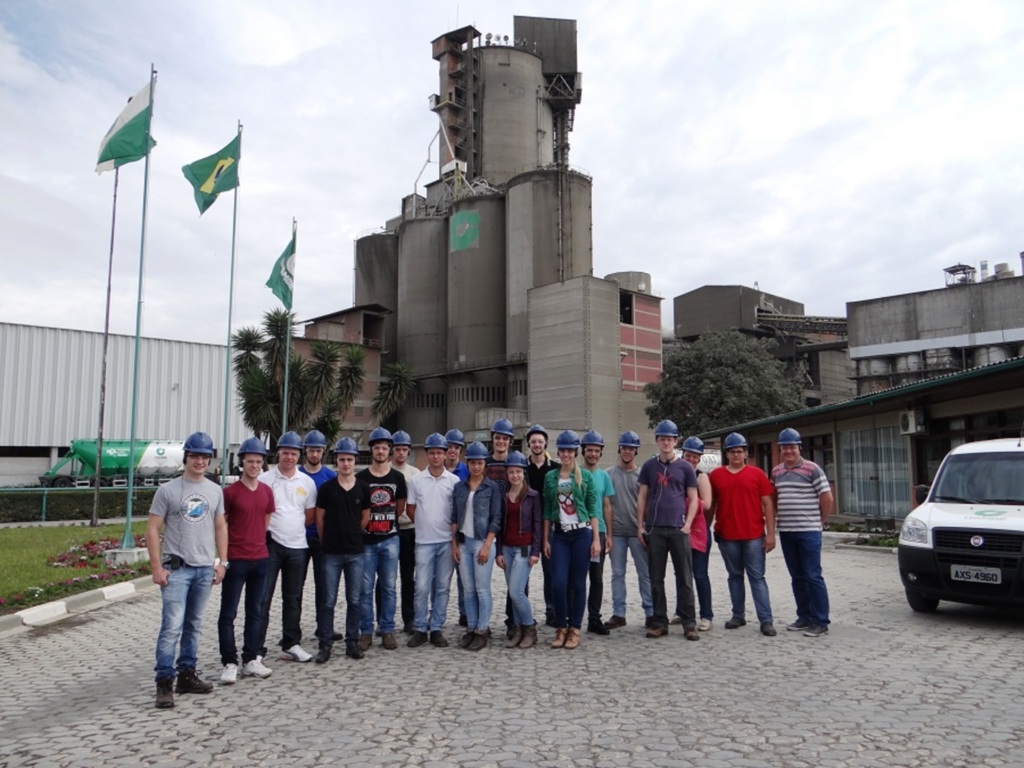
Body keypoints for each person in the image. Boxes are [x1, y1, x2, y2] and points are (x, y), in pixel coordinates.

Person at [147, 431, 227, 709]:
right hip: (177, 570)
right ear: (186, 458)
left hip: (205, 569)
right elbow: (153, 529)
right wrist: (157, 568)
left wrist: (222, 562)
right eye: (195, 455)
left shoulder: (215, 490)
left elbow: (220, 527)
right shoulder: (168, 490)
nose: (200, 461)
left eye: (205, 456)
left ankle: (187, 675)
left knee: (194, 626)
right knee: (171, 627)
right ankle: (164, 683)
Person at [256, 431, 318, 664]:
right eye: (285, 453)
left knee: (293, 598)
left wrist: (291, 529)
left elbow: (309, 516)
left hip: (298, 547)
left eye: (293, 453)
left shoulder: (307, 483)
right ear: (278, 453)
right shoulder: (265, 480)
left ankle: (291, 642)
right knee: (263, 598)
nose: (289, 457)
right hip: (270, 545)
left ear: (299, 455)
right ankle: (256, 647)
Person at [636, 420, 701, 641]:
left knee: (684, 577)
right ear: (657, 441)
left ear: (676, 441)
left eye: (670, 439)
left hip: (678, 529)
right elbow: (642, 496)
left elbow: (693, 498)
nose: (666, 442)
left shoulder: (685, 468)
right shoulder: (648, 467)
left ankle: (689, 622)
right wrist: (640, 526)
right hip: (655, 529)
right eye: (662, 439)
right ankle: (659, 622)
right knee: (656, 578)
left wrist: (688, 525)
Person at [708, 432, 778, 637]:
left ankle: (766, 620)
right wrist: (705, 528)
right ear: (727, 454)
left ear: (746, 453)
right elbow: (711, 506)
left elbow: (768, 504)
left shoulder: (757, 475)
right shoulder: (716, 475)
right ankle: (738, 615)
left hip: (754, 536)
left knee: (757, 577)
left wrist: (771, 534)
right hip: (727, 536)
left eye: (739, 451)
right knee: (734, 576)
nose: (736, 455)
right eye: (732, 451)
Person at [218, 437, 275, 685]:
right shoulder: (229, 493)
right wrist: (224, 557)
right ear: (242, 462)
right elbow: (222, 524)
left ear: (263, 464)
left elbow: (265, 521)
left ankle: (251, 658)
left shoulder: (266, 491)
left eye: (258, 462)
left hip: (260, 559)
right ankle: (229, 661)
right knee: (228, 613)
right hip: (236, 560)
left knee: (256, 611)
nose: (254, 465)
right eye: (250, 461)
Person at [771, 428, 834, 638]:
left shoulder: (812, 469)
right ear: (780, 449)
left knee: (813, 576)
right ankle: (804, 616)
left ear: (799, 448)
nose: (788, 451)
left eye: (792, 447)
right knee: (797, 577)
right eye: (785, 447)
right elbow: (774, 499)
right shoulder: (777, 472)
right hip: (787, 532)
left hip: (808, 531)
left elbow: (826, 497)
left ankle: (820, 621)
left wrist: (820, 521)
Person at [313, 437, 371, 662]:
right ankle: (325, 644)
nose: (345, 463)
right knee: (328, 600)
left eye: (349, 459)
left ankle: (352, 642)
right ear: (336, 461)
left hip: (355, 552)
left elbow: (365, 517)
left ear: (355, 461)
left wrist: (353, 532)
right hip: (331, 553)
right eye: (342, 459)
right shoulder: (326, 489)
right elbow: (320, 520)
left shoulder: (363, 488)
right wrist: (328, 539)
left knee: (354, 599)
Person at [543, 430, 600, 650]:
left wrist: (596, 540)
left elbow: (593, 509)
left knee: (578, 583)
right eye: (563, 450)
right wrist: (546, 539)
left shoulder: (585, 476)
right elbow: (548, 509)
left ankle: (575, 628)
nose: (566, 454)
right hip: (559, 535)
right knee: (558, 583)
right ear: (558, 452)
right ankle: (561, 626)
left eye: (570, 451)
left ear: (576, 452)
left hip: (582, 534)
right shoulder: (551, 477)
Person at [406, 433, 459, 649]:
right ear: (426, 454)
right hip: (424, 541)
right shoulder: (416, 481)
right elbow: (411, 509)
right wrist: (424, 523)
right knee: (421, 586)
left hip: (446, 541)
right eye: (432, 453)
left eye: (439, 452)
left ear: (446, 455)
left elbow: (457, 512)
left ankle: (436, 627)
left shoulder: (454, 482)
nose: (436, 456)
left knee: (442, 587)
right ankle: (420, 628)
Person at [356, 427, 407, 652]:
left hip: (390, 539)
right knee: (365, 588)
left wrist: (386, 522)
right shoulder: (361, 478)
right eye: (376, 447)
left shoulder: (398, 477)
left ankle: (387, 630)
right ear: (371, 450)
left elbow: (400, 507)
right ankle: (365, 631)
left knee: (389, 587)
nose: (380, 451)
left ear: (390, 450)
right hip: (367, 541)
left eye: (384, 448)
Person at [450, 441, 502, 651]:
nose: (476, 467)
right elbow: (454, 517)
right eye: (472, 463)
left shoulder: (493, 487)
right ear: (468, 463)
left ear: (484, 464)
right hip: (463, 543)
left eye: (480, 463)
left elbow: (496, 518)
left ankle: (482, 629)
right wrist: (453, 544)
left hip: (482, 542)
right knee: (468, 590)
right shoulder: (459, 487)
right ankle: (471, 628)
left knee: (482, 588)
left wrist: (488, 545)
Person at [604, 430, 654, 630]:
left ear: (636, 451)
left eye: (631, 448)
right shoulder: (609, 474)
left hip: (637, 532)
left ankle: (650, 612)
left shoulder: (643, 476)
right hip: (616, 532)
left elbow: (648, 504)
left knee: (645, 573)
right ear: (619, 449)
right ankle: (619, 613)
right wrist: (607, 534)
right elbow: (605, 505)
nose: (627, 452)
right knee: (617, 574)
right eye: (624, 448)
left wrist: (644, 528)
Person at [495, 451, 542, 649]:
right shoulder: (504, 497)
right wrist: (498, 551)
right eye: (511, 472)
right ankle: (518, 630)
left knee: (516, 591)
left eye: (518, 471)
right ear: (507, 474)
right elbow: (498, 525)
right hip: (507, 548)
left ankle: (530, 628)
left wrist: (535, 551)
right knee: (513, 592)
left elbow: (538, 524)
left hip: (525, 548)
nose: (515, 475)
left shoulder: (532, 496)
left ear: (523, 473)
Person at [299, 429, 336, 643]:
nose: (314, 455)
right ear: (306, 451)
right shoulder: (296, 475)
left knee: (324, 586)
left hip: (323, 538)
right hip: (299, 538)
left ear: (323, 452)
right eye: (311, 450)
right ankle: (292, 630)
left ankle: (324, 628)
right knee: (295, 587)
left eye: (318, 451)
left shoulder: (330, 477)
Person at [675, 436, 714, 631]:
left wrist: (684, 501)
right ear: (683, 454)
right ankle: (681, 610)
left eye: (694, 456)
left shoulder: (701, 477)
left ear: (699, 458)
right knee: (681, 573)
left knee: (700, 574)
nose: (691, 459)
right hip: (680, 529)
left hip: (698, 531)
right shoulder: (677, 473)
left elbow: (706, 504)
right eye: (688, 455)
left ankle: (706, 615)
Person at [524, 423, 559, 627]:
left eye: (540, 441)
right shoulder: (523, 468)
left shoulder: (554, 468)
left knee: (550, 571)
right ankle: (524, 612)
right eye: (533, 441)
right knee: (523, 571)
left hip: (549, 526)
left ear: (545, 443)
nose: (537, 444)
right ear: (529, 444)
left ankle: (551, 610)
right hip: (527, 525)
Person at [581, 430, 614, 636]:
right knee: (575, 578)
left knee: (597, 578)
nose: (593, 454)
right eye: (589, 450)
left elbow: (607, 505)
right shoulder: (575, 473)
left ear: (601, 453)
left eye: (596, 450)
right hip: (578, 531)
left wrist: (609, 534)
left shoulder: (604, 476)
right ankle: (571, 618)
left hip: (599, 532)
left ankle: (594, 618)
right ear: (583, 451)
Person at [487, 418, 517, 640]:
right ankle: (479, 622)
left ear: (510, 441)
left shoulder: (515, 464)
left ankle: (513, 620)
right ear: (493, 439)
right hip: (486, 527)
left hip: (511, 527)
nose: (501, 442)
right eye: (498, 437)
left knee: (515, 579)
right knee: (481, 578)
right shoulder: (483, 463)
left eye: (504, 438)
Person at [390, 429, 420, 635]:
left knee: (408, 577)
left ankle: (409, 618)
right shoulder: (384, 470)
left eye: (404, 449)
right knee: (386, 579)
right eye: (398, 449)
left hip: (410, 529)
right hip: (389, 530)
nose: (401, 453)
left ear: (409, 452)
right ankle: (385, 621)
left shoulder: (415, 474)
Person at [443, 427, 469, 626]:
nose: (452, 451)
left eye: (456, 447)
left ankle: (464, 612)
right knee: (440, 579)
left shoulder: (467, 472)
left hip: (460, 530)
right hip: (439, 529)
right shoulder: (437, 469)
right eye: (449, 447)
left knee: (464, 576)